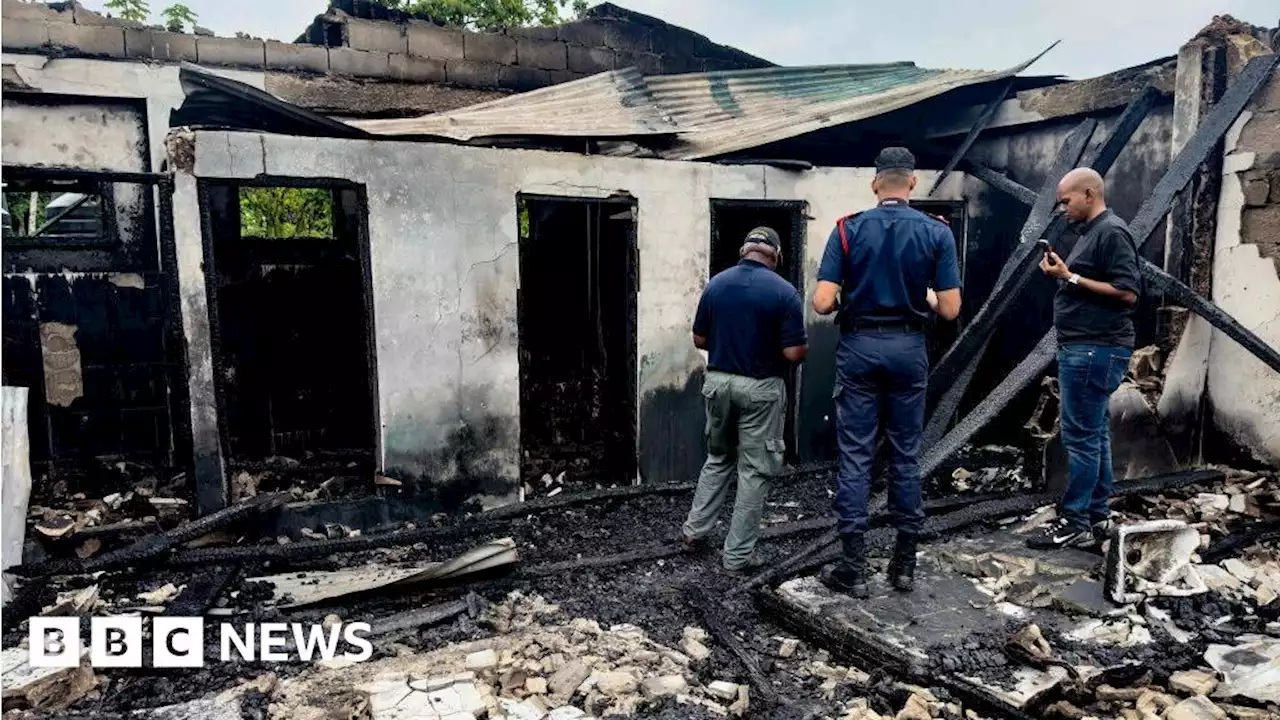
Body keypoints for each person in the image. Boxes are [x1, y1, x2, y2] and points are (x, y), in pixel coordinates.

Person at [811, 147, 962, 597]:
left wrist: (851, 297)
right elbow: (950, 309)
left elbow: (821, 302)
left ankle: (853, 571)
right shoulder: (937, 233)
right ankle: (903, 568)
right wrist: (925, 299)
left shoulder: (847, 230)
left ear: (875, 184)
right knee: (905, 454)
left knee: (856, 455)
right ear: (912, 183)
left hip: (859, 346)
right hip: (908, 349)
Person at [681, 227, 808, 575]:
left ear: (744, 250)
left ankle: (694, 533)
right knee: (754, 470)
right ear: (776, 256)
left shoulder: (717, 284)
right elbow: (794, 351)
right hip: (761, 389)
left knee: (718, 457)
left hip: (718, 383)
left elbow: (699, 337)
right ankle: (737, 557)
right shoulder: (785, 293)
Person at [1028, 167, 1142, 550]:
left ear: (1089, 194)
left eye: (1066, 200)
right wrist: (1064, 274)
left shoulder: (1112, 232)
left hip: (1095, 349)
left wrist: (1071, 278)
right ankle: (1097, 516)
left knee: (1079, 438)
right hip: (1088, 347)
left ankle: (1074, 519)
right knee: (1093, 436)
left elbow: (1128, 292)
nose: (1062, 209)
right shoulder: (1094, 233)